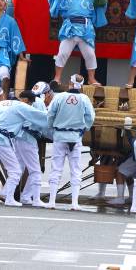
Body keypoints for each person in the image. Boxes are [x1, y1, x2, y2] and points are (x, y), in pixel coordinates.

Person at [0, 89, 48, 206]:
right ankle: (9, 198)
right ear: (26, 100)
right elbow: (41, 117)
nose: (30, 106)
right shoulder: (22, 106)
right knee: (15, 170)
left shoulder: (2, 103)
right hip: (1, 139)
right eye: (30, 103)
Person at [47, 0, 108, 85]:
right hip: (69, 26)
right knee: (63, 53)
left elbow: (102, 2)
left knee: (90, 54)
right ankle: (57, 78)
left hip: (86, 28)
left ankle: (91, 79)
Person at [46, 74, 96, 210]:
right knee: (75, 170)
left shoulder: (59, 97)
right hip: (75, 136)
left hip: (59, 136)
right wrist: (85, 127)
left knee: (56, 168)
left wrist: (51, 127)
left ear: (70, 83)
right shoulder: (84, 99)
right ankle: (74, 203)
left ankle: (52, 201)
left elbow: (50, 114)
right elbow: (90, 117)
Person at [17, 81, 54, 206]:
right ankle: (28, 197)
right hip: (28, 138)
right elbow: (44, 124)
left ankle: (6, 193)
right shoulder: (38, 103)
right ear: (46, 93)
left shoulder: (32, 101)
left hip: (19, 137)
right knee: (35, 170)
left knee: (18, 167)